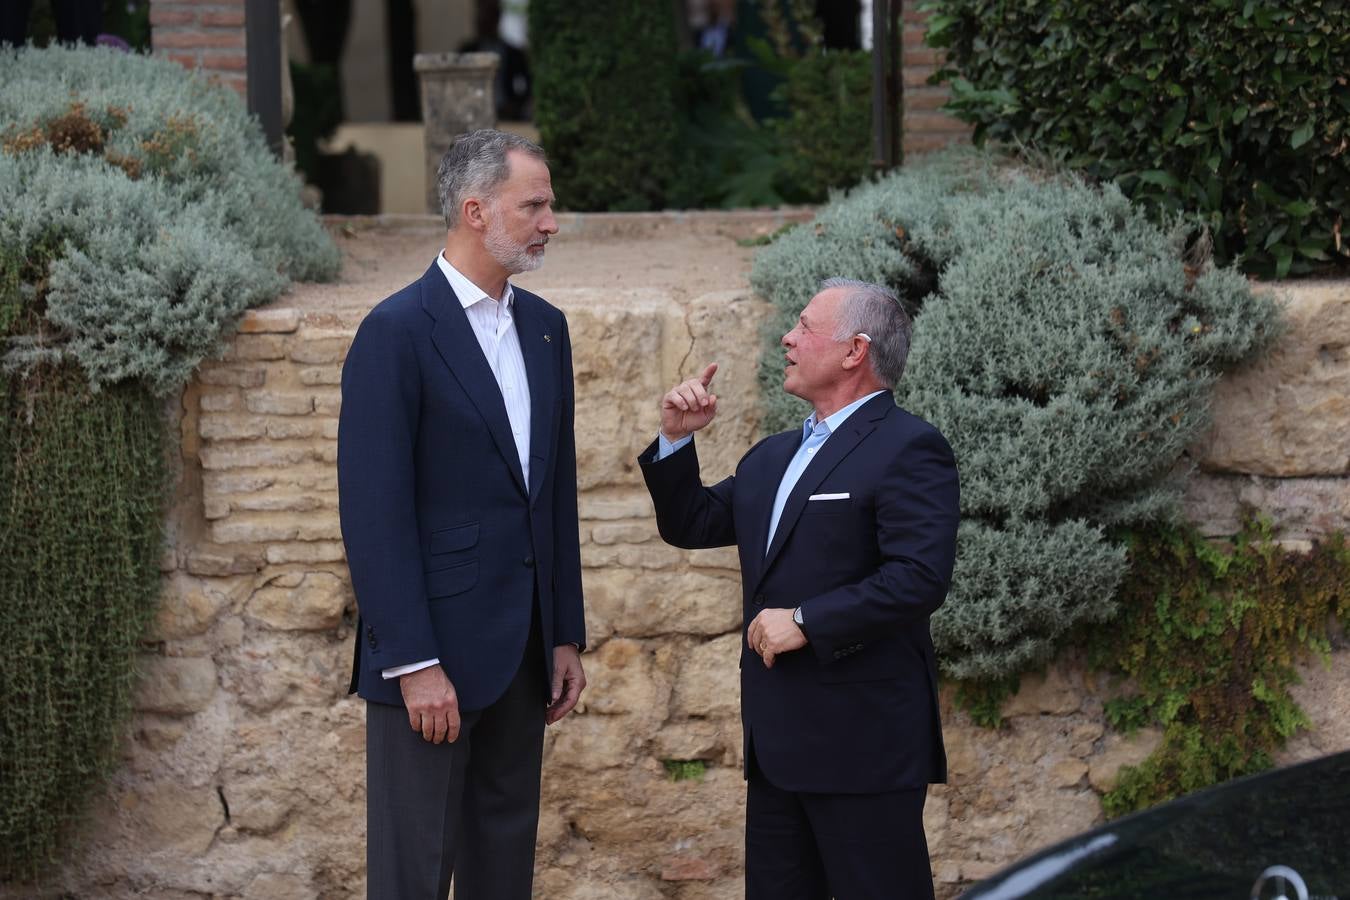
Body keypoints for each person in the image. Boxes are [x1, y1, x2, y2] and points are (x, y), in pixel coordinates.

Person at [639, 278, 960, 900]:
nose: (788, 337)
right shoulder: (772, 456)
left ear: (853, 351)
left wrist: (808, 620)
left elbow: (919, 577)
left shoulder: (911, 447)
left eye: (806, 326)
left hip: (864, 744)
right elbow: (692, 524)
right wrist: (678, 438)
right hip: (777, 746)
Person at [338, 129, 586, 900]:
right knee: (411, 879)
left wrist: (566, 632)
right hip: (431, 666)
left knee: (502, 876)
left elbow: (553, 495)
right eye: (535, 205)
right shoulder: (395, 332)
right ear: (475, 211)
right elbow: (373, 513)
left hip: (522, 661)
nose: (552, 222)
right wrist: (412, 664)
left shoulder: (547, 328)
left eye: (550, 205)